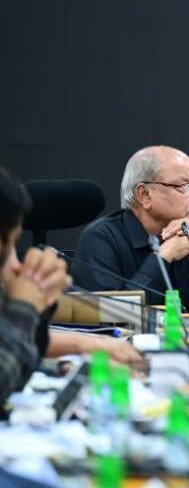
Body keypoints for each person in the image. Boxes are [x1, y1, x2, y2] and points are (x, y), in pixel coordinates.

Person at [0, 168, 141, 405]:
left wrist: (78, 352)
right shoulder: (103, 235)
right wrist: (24, 308)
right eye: (11, 244)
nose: (16, 265)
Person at [74, 146, 189, 325]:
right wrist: (163, 257)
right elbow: (111, 319)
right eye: (184, 186)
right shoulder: (101, 239)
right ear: (144, 194)